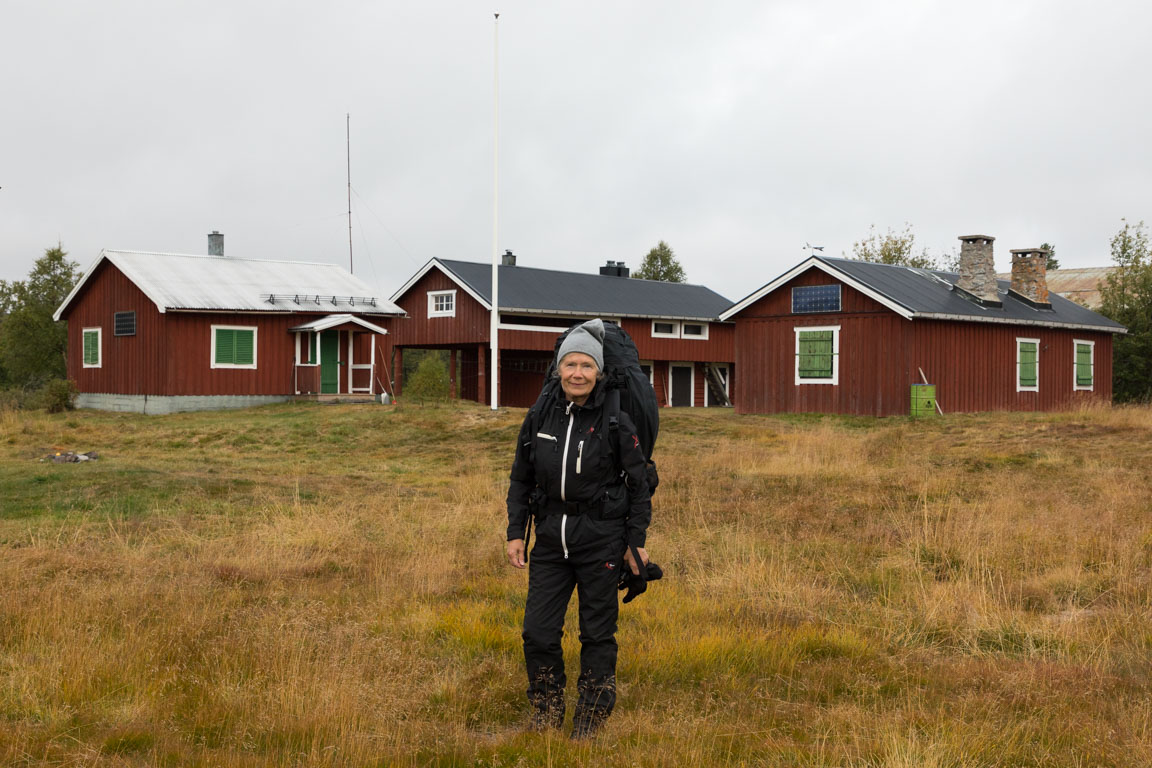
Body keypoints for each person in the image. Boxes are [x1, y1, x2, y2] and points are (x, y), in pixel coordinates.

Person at [505, 318, 652, 739]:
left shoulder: (615, 420)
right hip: (551, 539)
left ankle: (590, 718)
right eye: (570, 364)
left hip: (601, 538)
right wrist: (517, 532)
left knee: (597, 634)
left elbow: (640, 486)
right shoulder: (540, 416)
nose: (577, 373)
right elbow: (521, 478)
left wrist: (635, 544)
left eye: (586, 365)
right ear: (558, 369)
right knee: (538, 632)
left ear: (599, 371)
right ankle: (547, 709)